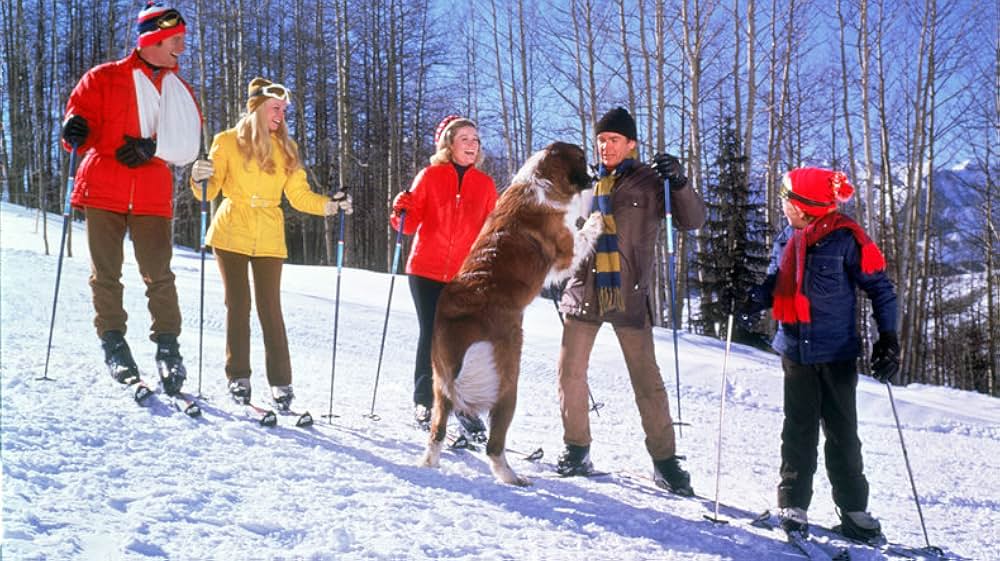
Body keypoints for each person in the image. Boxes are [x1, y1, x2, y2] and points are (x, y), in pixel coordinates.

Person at [555, 107, 706, 496]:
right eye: (601, 140)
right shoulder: (584, 182)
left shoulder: (650, 182)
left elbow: (693, 220)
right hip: (583, 291)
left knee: (647, 381)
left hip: (629, 293)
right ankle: (577, 450)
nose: (606, 147)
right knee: (570, 374)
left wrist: (681, 182)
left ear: (631, 144)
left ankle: (665, 462)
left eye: (614, 140)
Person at [747, 167, 898, 541]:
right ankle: (793, 504)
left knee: (842, 433)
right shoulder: (786, 238)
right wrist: (753, 299)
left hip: (836, 352)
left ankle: (854, 511)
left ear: (804, 205)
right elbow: (772, 283)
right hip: (795, 350)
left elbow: (881, 289)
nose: (782, 205)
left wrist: (889, 337)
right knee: (797, 430)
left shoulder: (848, 240)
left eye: (786, 199)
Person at [60, 2, 201, 396]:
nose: (181, 48)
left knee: (160, 276)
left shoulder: (179, 90)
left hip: (152, 196)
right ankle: (114, 343)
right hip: (103, 188)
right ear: (152, 38)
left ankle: (168, 348)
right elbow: (78, 128)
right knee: (106, 274)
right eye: (175, 40)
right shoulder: (103, 78)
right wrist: (73, 130)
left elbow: (187, 142)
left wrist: (152, 147)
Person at [188, 78, 353, 411]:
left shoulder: (286, 149)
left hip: (268, 233)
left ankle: (281, 382)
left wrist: (330, 204)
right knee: (238, 304)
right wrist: (198, 176)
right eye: (275, 108)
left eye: (284, 109)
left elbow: (298, 195)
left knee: (270, 309)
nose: (281, 114)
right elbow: (209, 189)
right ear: (257, 108)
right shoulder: (227, 142)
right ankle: (238, 377)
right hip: (231, 228)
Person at [390, 115, 498, 434]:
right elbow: (408, 225)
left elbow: (490, 230)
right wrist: (400, 210)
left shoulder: (485, 185)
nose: (472, 145)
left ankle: (463, 408)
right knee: (433, 333)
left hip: (464, 275)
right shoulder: (431, 176)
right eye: (464, 138)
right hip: (425, 269)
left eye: (475, 140)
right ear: (448, 144)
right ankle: (425, 402)